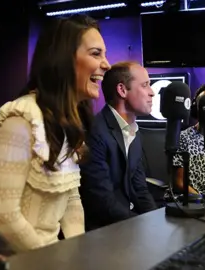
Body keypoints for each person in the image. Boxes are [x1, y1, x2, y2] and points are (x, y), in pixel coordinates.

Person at [0, 15, 111, 256]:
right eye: (96, 54)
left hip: (49, 256)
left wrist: (79, 255)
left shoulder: (69, 122)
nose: (107, 64)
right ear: (63, 61)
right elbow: (2, 217)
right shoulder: (21, 121)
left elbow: (72, 201)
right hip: (19, 259)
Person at [79, 61, 157, 231]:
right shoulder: (96, 131)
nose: (152, 93)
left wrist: (157, 223)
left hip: (127, 225)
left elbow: (140, 190)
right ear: (122, 90)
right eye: (145, 85)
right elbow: (101, 201)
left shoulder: (134, 132)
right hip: (103, 233)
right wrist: (142, 226)